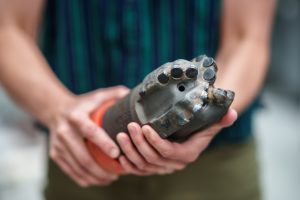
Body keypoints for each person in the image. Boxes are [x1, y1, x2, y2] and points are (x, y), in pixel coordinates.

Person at [0, 0, 275, 199]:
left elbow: (248, 38)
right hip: (83, 154)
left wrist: (208, 118)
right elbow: (8, 29)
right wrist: (58, 109)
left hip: (214, 166)